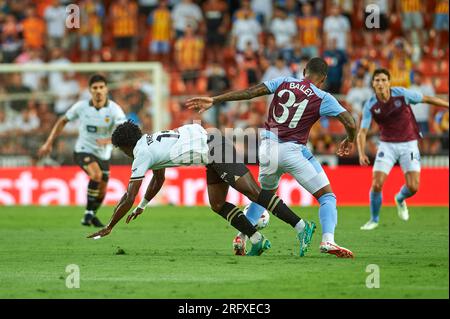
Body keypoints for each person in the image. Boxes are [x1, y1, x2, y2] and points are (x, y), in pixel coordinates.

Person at [186, 57, 357, 258]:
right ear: (324, 79)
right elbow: (351, 122)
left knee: (263, 195)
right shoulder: (323, 96)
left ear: (304, 71)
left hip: (267, 149)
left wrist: (216, 100)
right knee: (327, 197)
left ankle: (241, 236)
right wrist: (349, 139)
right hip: (293, 151)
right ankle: (328, 240)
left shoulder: (283, 81)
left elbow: (250, 93)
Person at [87, 121, 317, 257]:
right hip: (210, 153)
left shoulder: (140, 154)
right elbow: (158, 179)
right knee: (217, 204)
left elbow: (128, 196)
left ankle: (301, 226)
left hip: (215, 148)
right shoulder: (150, 140)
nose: (124, 154)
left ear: (126, 146)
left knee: (253, 192)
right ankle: (257, 240)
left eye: (122, 150)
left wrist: (110, 226)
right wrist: (143, 206)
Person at [358, 68, 449, 230]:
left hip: (409, 143)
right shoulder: (370, 105)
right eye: (377, 80)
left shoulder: (402, 94)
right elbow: (362, 131)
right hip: (386, 145)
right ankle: (374, 219)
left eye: (383, 80)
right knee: (377, 184)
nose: (380, 83)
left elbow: (426, 99)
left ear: (389, 82)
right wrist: (361, 152)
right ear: (373, 83)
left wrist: (447, 105)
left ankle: (399, 199)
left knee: (413, 187)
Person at [38, 74, 127, 227]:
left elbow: (123, 130)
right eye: (95, 88)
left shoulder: (114, 109)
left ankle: (92, 213)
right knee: (96, 175)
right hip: (83, 150)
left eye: (101, 87)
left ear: (106, 89)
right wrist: (48, 142)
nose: (98, 91)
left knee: (102, 190)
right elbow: (62, 121)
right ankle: (87, 214)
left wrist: (108, 140)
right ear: (90, 90)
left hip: (104, 153)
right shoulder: (81, 107)